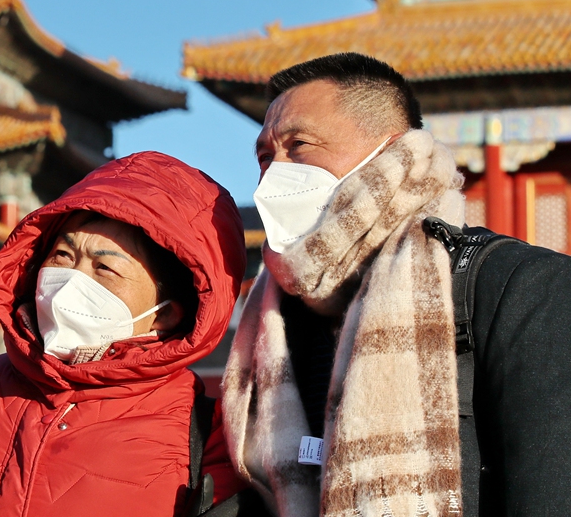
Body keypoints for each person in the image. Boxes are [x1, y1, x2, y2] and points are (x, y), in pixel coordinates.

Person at [224, 52, 571, 516]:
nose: (274, 172)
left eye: (299, 145)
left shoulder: (518, 287)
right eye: (266, 156)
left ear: (389, 152)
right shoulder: (272, 321)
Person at [0, 151, 252, 517]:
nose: (72, 281)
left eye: (104, 268)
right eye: (64, 256)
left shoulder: (202, 436)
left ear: (164, 315)